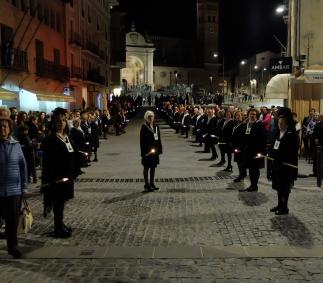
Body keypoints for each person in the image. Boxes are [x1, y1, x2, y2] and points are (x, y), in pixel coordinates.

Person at [41, 109, 80, 238]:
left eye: (64, 120)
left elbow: (73, 151)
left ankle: (61, 224)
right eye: (59, 121)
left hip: (68, 175)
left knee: (62, 202)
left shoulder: (66, 137)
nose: (62, 123)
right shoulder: (51, 139)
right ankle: (58, 228)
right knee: (58, 202)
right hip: (57, 178)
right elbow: (47, 161)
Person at [0, 113, 28, 258]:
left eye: (4, 126)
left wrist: (24, 187)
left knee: (12, 222)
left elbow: (23, 167)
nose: (2, 129)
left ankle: (13, 247)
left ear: (10, 129)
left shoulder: (16, 145)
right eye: (0, 126)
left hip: (14, 191)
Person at [270, 111, 299, 215]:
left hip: (287, 166)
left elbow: (294, 150)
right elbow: (274, 147)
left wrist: (283, 158)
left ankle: (285, 207)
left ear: (286, 123)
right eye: (278, 123)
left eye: (282, 123)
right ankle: (279, 204)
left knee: (285, 187)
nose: (280, 125)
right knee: (278, 186)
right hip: (278, 166)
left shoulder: (291, 134)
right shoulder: (278, 133)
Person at [240, 108, 266, 192]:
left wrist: (262, 152)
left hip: (256, 151)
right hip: (248, 151)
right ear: (248, 115)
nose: (252, 115)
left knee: (255, 169)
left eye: (254, 114)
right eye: (251, 114)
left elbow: (263, 139)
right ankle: (252, 185)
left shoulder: (259, 124)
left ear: (257, 116)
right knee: (251, 169)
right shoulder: (247, 124)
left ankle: (255, 186)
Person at [140, 111, 163, 192]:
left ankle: (152, 184)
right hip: (147, 152)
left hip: (155, 151)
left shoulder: (156, 126)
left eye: (152, 116)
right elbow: (142, 141)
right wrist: (143, 153)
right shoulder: (144, 127)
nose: (151, 118)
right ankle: (146, 184)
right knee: (146, 167)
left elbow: (159, 138)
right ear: (146, 118)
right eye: (149, 117)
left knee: (153, 167)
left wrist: (160, 149)